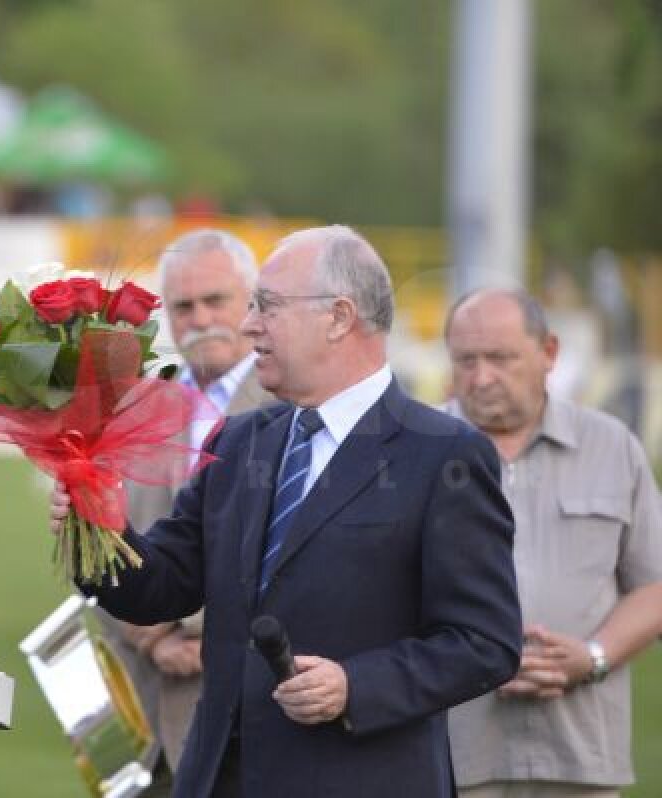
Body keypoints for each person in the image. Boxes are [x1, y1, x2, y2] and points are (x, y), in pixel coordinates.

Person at [50, 225, 522, 797]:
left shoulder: (443, 453)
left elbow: (484, 643)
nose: (248, 325)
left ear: (339, 317)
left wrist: (356, 685)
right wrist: (100, 529)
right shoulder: (240, 440)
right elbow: (161, 587)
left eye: (267, 307)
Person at [444, 289, 662, 798]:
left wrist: (593, 656)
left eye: (500, 358)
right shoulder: (413, 452)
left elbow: (654, 585)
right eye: (465, 360)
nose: (480, 378)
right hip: (452, 756)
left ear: (549, 352)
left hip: (579, 755)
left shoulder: (612, 447)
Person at [97, 229, 272, 792]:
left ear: (252, 302)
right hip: (152, 712)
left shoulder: (293, 403)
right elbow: (100, 544)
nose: (200, 319)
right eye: (183, 306)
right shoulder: (139, 409)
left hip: (262, 711)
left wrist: (201, 633)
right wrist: (152, 638)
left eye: (215, 301)